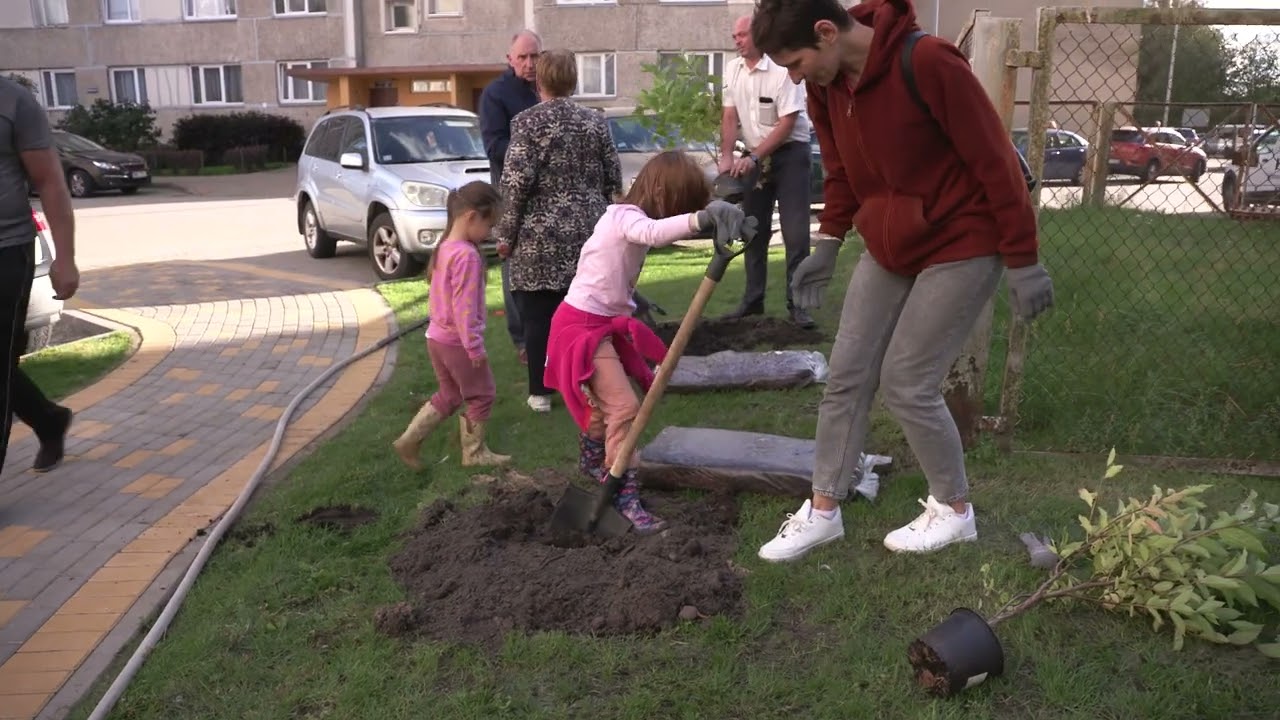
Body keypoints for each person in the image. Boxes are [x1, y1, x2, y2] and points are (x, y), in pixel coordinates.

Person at [748, 0, 1055, 560]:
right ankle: (823, 511)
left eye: (794, 62)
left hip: (964, 239)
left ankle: (954, 510)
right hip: (891, 244)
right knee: (847, 375)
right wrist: (829, 241)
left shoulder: (930, 62)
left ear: (826, 32)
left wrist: (1023, 257)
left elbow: (995, 163)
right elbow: (840, 173)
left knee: (908, 380)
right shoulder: (827, 86)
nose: (792, 77)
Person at [544, 151, 751, 533]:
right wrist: (702, 218)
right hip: (581, 328)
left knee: (603, 409)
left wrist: (631, 297)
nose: (680, 213)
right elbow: (652, 235)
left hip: (594, 319)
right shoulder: (625, 217)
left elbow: (606, 267)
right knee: (624, 408)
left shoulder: (621, 217)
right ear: (661, 193)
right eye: (680, 205)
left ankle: (594, 460)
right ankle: (621, 493)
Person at [494, 48, 623, 414]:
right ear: (573, 79)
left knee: (537, 318)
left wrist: (505, 235)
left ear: (540, 80)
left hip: (539, 236)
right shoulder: (595, 122)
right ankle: (590, 382)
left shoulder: (526, 123)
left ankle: (540, 392)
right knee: (587, 314)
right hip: (589, 233)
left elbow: (516, 183)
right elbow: (613, 177)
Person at [392, 181, 510, 469]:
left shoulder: (445, 246)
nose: (490, 232)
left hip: (436, 338)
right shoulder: (467, 256)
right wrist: (474, 347)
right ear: (471, 217)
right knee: (482, 394)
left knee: (450, 394)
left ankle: (408, 441)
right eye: (489, 224)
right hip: (457, 342)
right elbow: (464, 308)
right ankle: (474, 453)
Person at [1, 75, 79, 476]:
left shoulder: (13, 102)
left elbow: (49, 182)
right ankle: (48, 419)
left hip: (5, 251)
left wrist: (64, 258)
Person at [719, 13, 816, 329]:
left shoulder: (782, 69)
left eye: (743, 35)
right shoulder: (732, 70)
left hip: (790, 155)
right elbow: (730, 117)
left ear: (759, 36)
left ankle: (798, 305)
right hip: (755, 157)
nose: (737, 41)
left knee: (796, 233)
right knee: (753, 230)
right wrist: (726, 157)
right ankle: (753, 301)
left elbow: (787, 123)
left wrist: (756, 156)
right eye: (735, 36)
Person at [479, 29, 542, 366]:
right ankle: (522, 340)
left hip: (547, 196)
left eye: (535, 57)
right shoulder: (495, 95)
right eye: (523, 57)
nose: (530, 64)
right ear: (510, 59)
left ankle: (551, 335)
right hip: (511, 194)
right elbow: (494, 147)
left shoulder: (547, 91)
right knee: (513, 263)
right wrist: (533, 153)